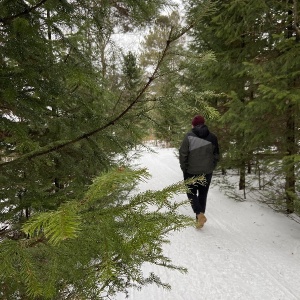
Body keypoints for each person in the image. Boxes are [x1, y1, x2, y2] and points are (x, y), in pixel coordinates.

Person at [179, 115, 219, 229]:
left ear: (193, 125)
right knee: (203, 194)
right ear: (204, 123)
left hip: (191, 171)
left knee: (190, 192)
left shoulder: (188, 136)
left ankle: (199, 214)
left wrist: (184, 168)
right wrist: (212, 166)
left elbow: (183, 154)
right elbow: (216, 154)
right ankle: (199, 220)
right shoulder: (213, 137)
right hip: (207, 171)